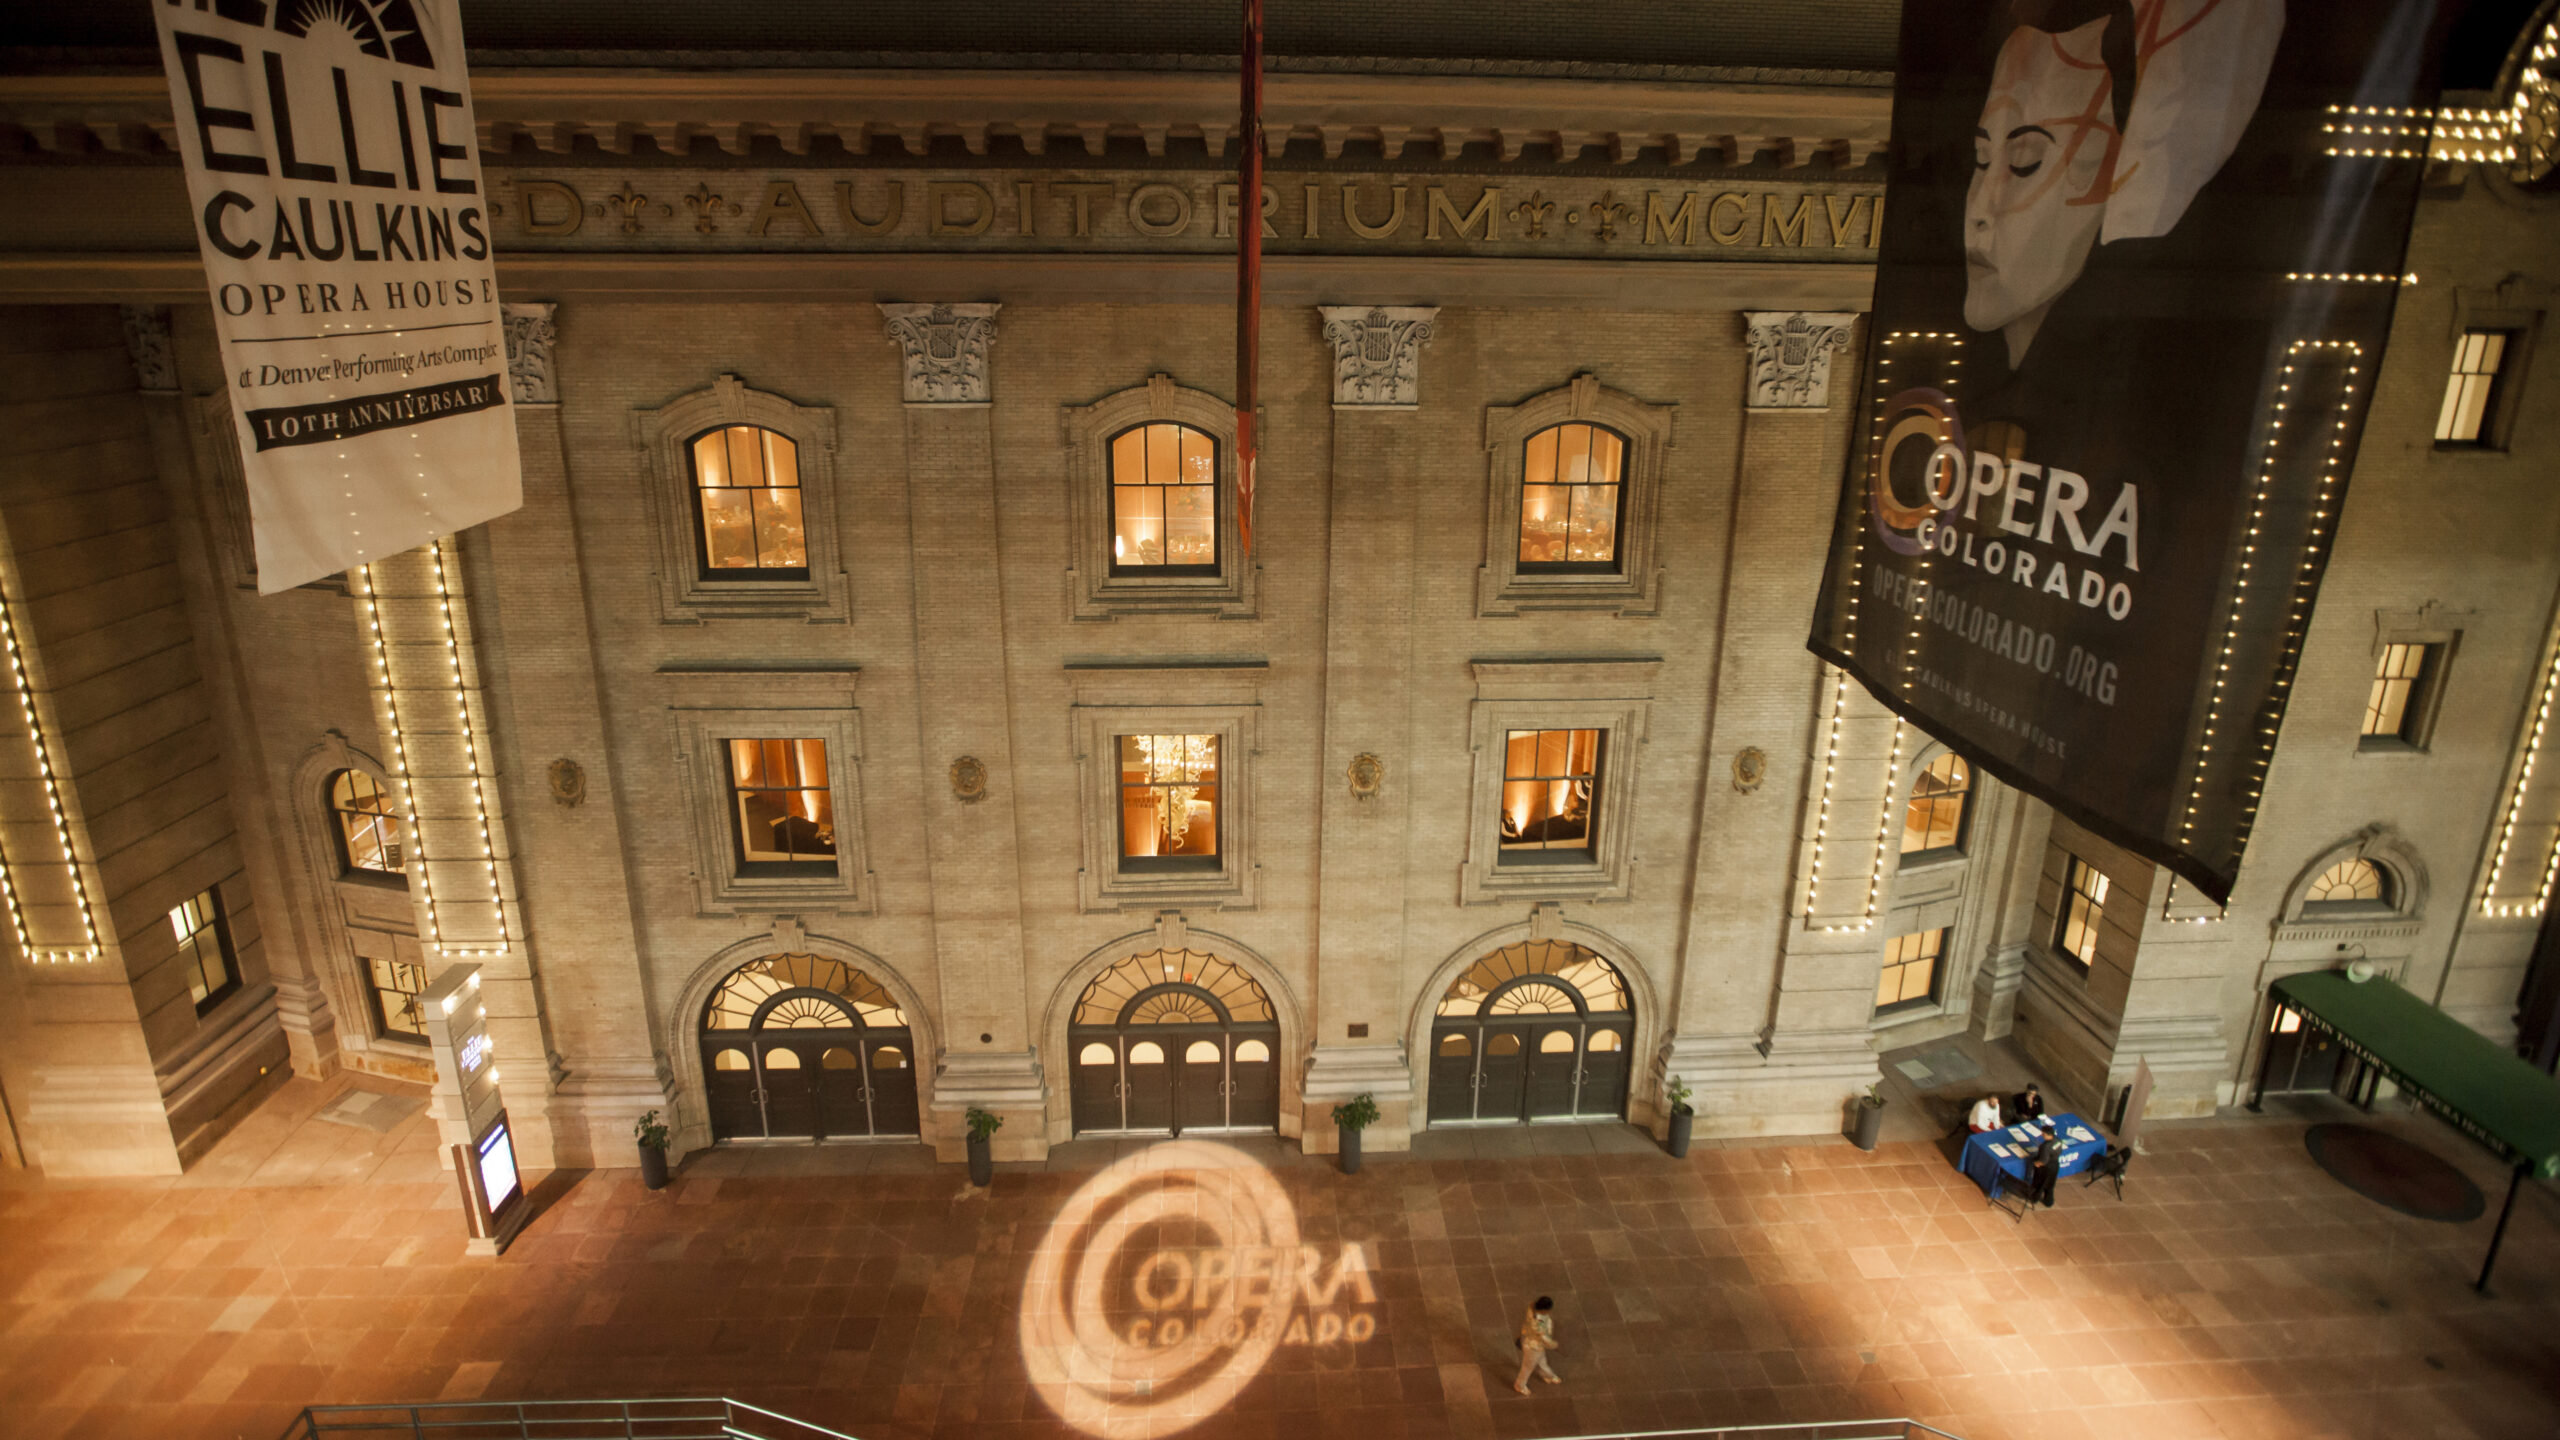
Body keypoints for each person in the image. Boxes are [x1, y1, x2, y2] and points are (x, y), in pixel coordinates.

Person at [1512, 1295, 1560, 1395]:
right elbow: (1543, 1337)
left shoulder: (1532, 1309)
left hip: (1532, 1343)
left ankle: (1547, 1375)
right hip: (1533, 1347)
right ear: (1544, 1309)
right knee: (1527, 1367)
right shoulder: (1539, 1323)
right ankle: (1519, 1385)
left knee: (1542, 1361)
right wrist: (1553, 1344)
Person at [2025, 1117, 2061, 1208]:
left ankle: (2034, 1199)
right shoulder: (2058, 1141)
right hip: (2055, 1165)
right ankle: (2049, 1201)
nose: (2042, 1135)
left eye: (2043, 1134)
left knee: (2039, 1185)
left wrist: (2037, 1164)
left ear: (2048, 1135)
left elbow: (2043, 1161)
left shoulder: (2046, 1146)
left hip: (2045, 1168)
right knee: (2050, 1185)